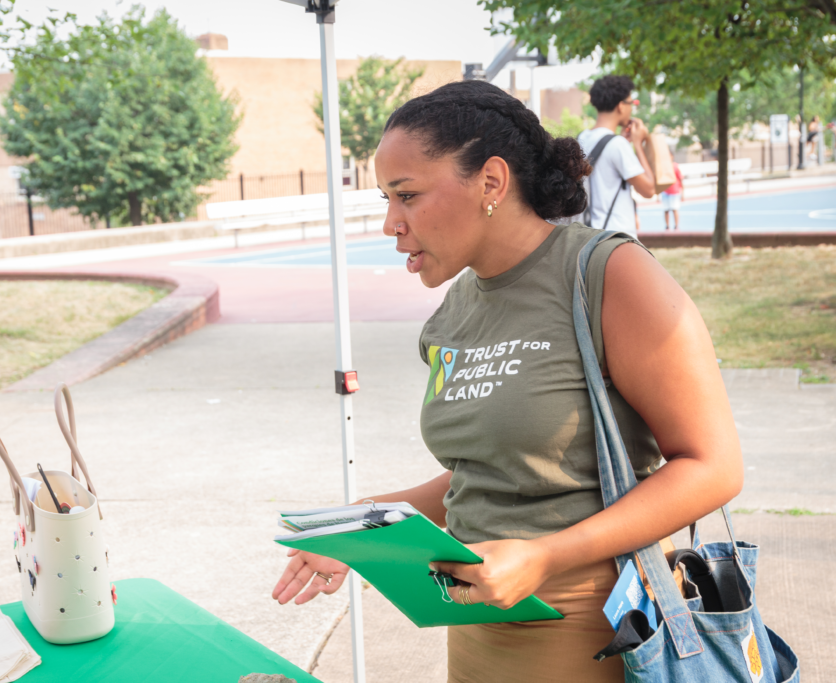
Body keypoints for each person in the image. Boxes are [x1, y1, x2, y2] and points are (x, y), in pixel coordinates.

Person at [271, 80, 743, 682]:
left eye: (407, 195)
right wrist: (362, 523)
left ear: (491, 182)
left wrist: (545, 555)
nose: (391, 222)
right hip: (474, 627)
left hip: (603, 631)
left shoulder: (607, 274)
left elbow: (713, 466)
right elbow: (492, 472)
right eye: (386, 198)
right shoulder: (454, 310)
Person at [577, 75, 656, 235]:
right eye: (631, 103)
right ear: (621, 106)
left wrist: (625, 142)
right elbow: (649, 190)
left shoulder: (582, 138)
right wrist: (638, 144)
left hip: (589, 234)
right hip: (615, 237)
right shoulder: (617, 145)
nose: (632, 108)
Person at [661, 150, 684, 230]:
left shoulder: (675, 166)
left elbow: (680, 179)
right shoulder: (662, 167)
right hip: (665, 191)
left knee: (675, 209)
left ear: (672, 156)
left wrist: (683, 192)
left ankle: (676, 226)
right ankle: (667, 226)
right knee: (666, 210)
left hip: (674, 191)